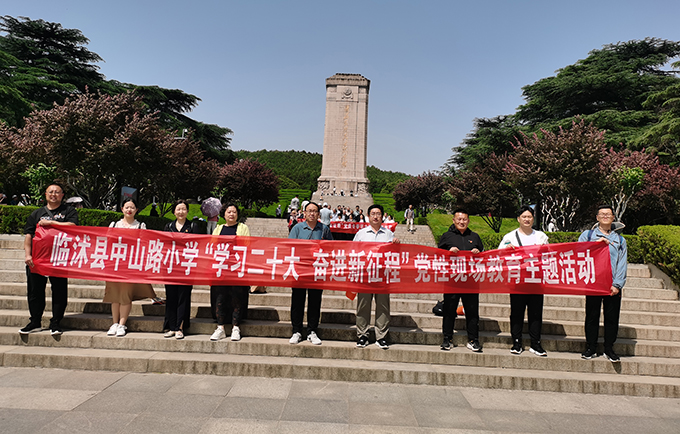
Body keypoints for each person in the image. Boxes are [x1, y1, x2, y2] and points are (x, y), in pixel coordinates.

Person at [20, 183, 78, 335]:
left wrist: (52, 223)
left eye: (57, 192)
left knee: (59, 290)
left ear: (62, 195)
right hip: (37, 259)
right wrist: (28, 255)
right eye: (51, 192)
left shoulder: (69, 211)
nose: (54, 194)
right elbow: (28, 235)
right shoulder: (36, 214)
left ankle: (56, 322)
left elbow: (72, 226)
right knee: (34, 290)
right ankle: (35, 321)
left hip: (59, 259)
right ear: (45, 194)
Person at [498, 205, 550, 356]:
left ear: (533, 219)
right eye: (524, 217)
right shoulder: (510, 237)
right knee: (517, 312)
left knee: (535, 313)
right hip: (517, 280)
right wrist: (509, 250)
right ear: (518, 219)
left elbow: (548, 255)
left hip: (536, 279)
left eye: (529, 217)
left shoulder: (541, 236)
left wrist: (543, 249)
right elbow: (500, 254)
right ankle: (516, 342)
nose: (527, 219)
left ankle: (536, 343)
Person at [579, 205, 627, 363]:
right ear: (597, 217)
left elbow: (622, 263)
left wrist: (617, 284)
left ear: (613, 218)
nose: (605, 216)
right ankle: (590, 347)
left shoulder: (620, 239)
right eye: (602, 214)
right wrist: (595, 245)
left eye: (609, 214)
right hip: (593, 283)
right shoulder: (588, 235)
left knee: (612, 318)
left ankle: (609, 348)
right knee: (592, 317)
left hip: (612, 285)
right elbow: (578, 253)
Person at [104, 198, 159, 337]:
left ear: (136, 210)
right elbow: (107, 243)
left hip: (131, 266)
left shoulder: (140, 226)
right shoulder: (114, 225)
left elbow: (145, 245)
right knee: (114, 296)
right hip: (115, 265)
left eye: (132, 207)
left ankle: (122, 324)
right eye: (126, 207)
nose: (129, 210)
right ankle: (114, 323)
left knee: (125, 295)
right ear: (122, 209)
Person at [353, 204, 400, 349]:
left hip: (382, 276)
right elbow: (353, 252)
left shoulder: (388, 234)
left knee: (383, 306)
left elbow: (395, 254)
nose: (375, 216)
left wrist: (396, 245)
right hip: (365, 275)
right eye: (373, 213)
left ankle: (381, 336)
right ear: (368, 216)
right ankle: (362, 335)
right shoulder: (361, 233)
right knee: (363, 306)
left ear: (382, 216)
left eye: (378, 214)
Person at [438, 208, 483, 352]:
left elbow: (484, 257)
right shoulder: (447, 236)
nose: (461, 222)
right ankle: (447, 339)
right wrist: (448, 253)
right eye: (459, 219)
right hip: (452, 280)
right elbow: (437, 256)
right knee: (449, 311)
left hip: (470, 281)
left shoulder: (475, 237)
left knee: (472, 312)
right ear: (454, 220)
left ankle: (473, 340)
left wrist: (477, 253)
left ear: (468, 221)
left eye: (464, 219)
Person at [288, 201, 333, 345]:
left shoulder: (324, 229)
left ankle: (312, 330)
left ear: (318, 214)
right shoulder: (297, 228)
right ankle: (296, 330)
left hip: (317, 270)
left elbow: (330, 248)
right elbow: (289, 248)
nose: (312, 213)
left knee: (315, 301)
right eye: (309, 211)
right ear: (304, 213)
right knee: (297, 301)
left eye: (314, 211)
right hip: (300, 270)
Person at [210, 203, 250, 342]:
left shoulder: (243, 228)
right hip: (221, 269)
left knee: (237, 297)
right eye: (229, 212)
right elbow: (213, 246)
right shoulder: (218, 228)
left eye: (234, 212)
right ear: (224, 214)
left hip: (237, 268)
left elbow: (246, 246)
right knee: (220, 297)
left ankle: (235, 327)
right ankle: (220, 327)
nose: (231, 214)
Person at [162, 200, 200, 339]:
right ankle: (171, 326)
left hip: (186, 268)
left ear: (187, 211)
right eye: (178, 209)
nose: (181, 212)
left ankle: (180, 327)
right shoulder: (168, 226)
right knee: (171, 297)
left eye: (183, 209)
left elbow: (197, 245)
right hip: (171, 267)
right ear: (174, 212)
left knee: (183, 297)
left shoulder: (193, 226)